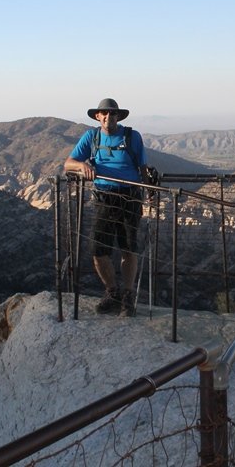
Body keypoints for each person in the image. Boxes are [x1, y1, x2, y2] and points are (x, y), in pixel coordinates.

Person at [64, 98, 151, 317]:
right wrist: (81, 165)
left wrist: (148, 191)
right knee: (98, 250)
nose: (108, 117)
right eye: (104, 113)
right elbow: (68, 164)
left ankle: (127, 296)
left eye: (112, 114)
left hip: (130, 196)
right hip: (104, 197)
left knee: (128, 248)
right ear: (97, 116)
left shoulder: (132, 136)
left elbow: (143, 168)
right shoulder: (91, 137)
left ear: (118, 116)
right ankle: (112, 292)